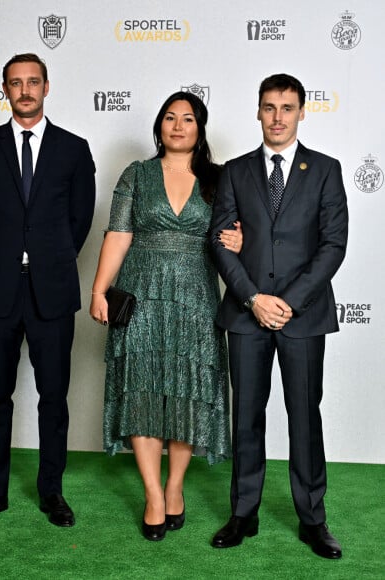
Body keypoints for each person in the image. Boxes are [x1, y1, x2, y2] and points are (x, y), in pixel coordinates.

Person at [90, 91, 242, 541]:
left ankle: (175, 486)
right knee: (142, 388)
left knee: (186, 392)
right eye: (170, 118)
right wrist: (99, 289)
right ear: (159, 127)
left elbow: (234, 237)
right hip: (141, 292)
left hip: (196, 297)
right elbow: (118, 234)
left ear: (200, 128)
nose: (178, 125)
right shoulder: (136, 174)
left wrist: (241, 241)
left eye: (188, 118)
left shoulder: (220, 179)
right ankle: (153, 494)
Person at [209, 73, 348, 559]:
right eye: (269, 107)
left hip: (303, 317)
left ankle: (313, 519)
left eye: (287, 108)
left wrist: (286, 302)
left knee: (304, 418)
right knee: (246, 417)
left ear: (302, 112)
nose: (277, 117)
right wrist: (253, 299)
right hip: (247, 316)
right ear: (258, 110)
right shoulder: (235, 170)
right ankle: (243, 513)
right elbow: (220, 243)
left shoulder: (326, 170)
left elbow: (333, 246)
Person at [0, 53, 96, 528]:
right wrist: (6, 257)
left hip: (52, 293)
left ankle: (51, 493)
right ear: (4, 89)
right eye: (16, 83)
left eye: (33, 82)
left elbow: (80, 220)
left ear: (46, 87)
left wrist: (47, 258)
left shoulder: (73, 149)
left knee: (53, 398)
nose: (25, 90)